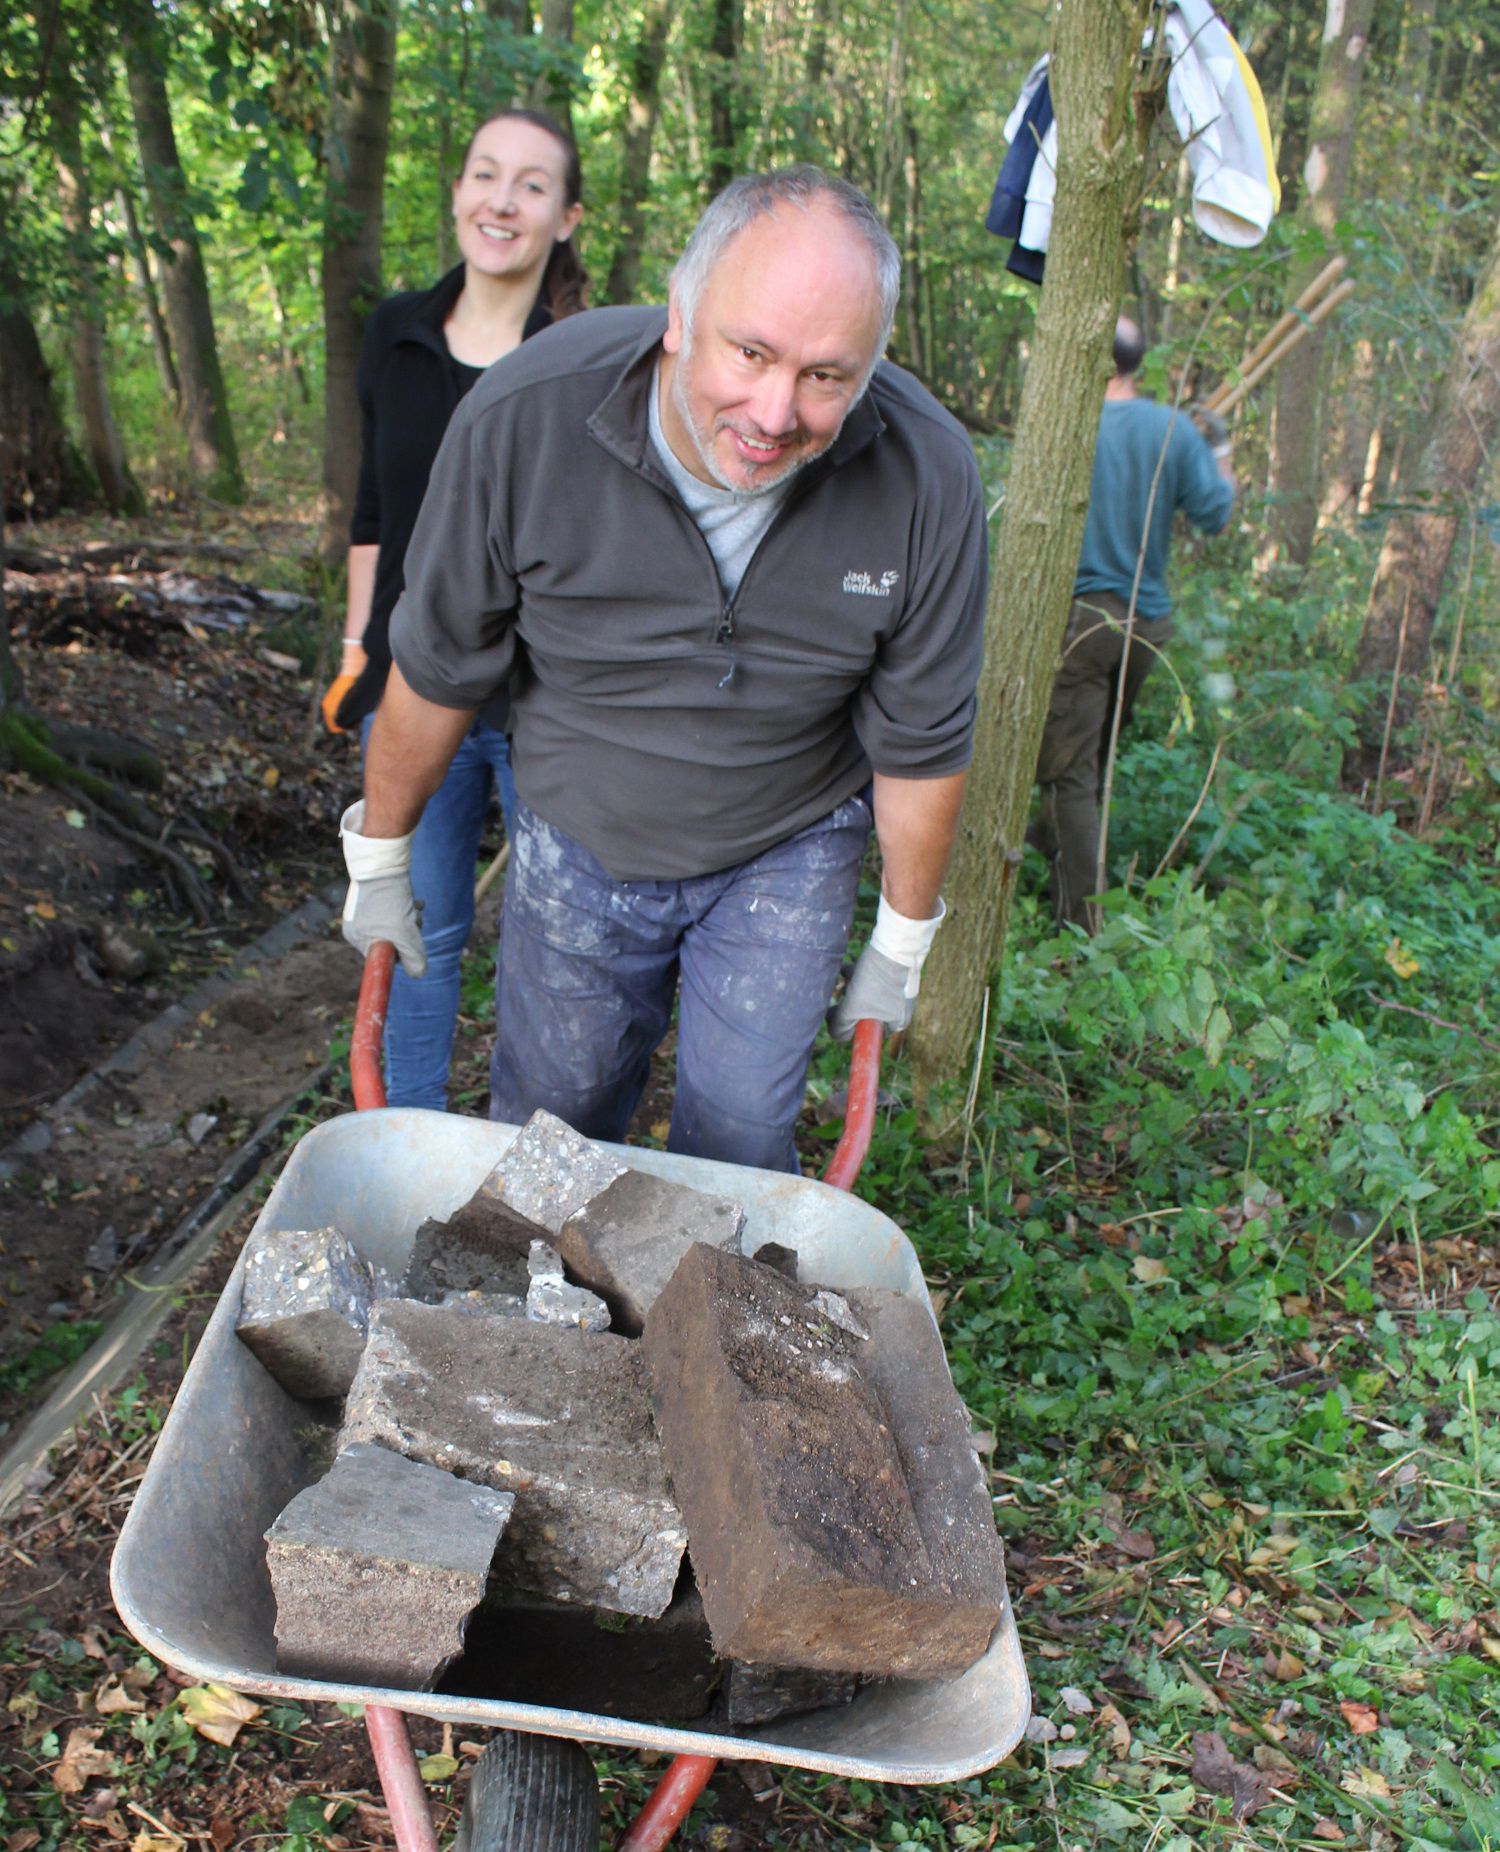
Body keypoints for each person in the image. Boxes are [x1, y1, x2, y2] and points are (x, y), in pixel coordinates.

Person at [339, 166, 987, 1174]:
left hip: (790, 840)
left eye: (825, 375)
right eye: (751, 351)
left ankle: (691, 1321)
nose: (775, 412)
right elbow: (436, 667)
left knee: (738, 1138)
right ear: (680, 314)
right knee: (555, 1130)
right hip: (583, 823)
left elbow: (922, 744)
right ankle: (540, 1323)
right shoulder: (529, 417)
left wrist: (901, 940)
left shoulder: (926, 475)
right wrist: (381, 859)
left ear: (872, 365)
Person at [322, 108, 585, 1109]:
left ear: (564, 216)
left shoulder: (576, 357)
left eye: (530, 185)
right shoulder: (396, 333)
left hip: (543, 701)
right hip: (408, 685)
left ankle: (536, 1154)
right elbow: (374, 509)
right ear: (458, 191)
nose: (502, 201)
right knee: (417, 923)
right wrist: (356, 649)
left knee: (555, 935)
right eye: (486, 175)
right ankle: (412, 1143)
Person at [1032, 316, 1234, 930]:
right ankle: (1055, 857)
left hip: (1087, 623)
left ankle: (1080, 925)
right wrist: (1219, 449)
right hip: (1148, 627)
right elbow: (1216, 514)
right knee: (1087, 753)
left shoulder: (1070, 424)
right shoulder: (1172, 428)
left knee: (1071, 773)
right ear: (1139, 363)